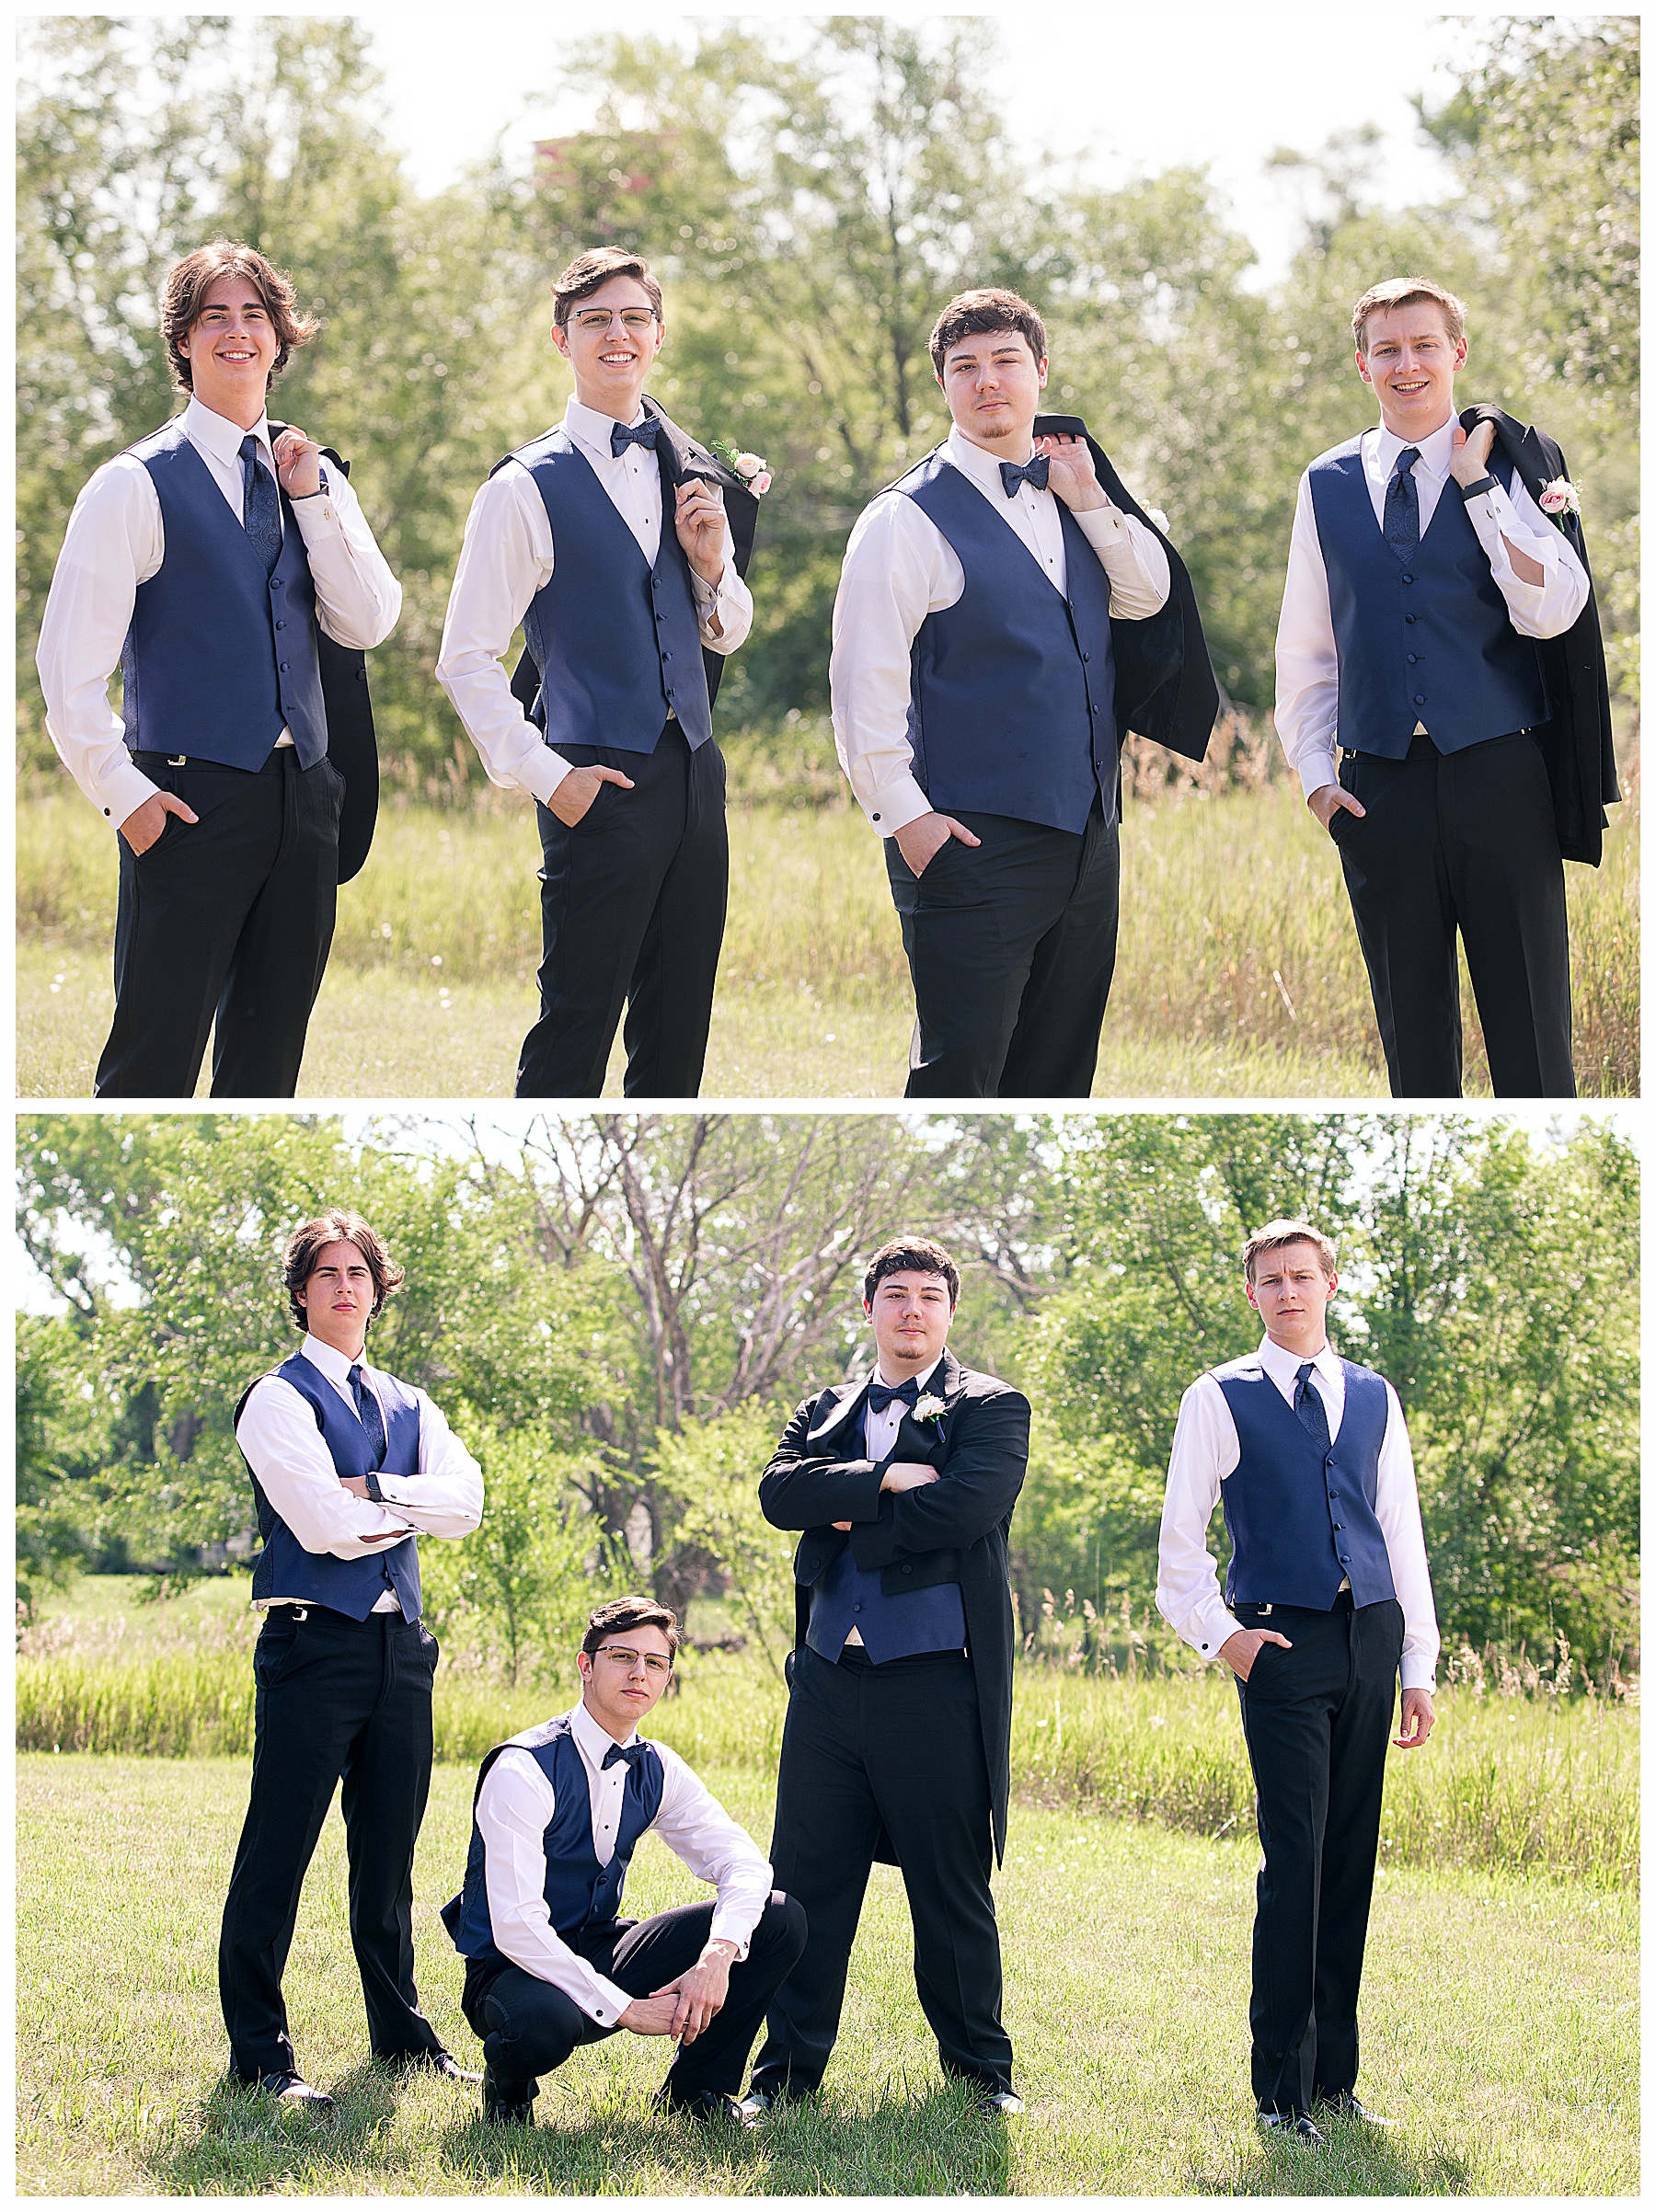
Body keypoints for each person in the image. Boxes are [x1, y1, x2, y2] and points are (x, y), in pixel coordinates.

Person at [35, 240, 402, 1098]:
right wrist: (129, 802)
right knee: (150, 1066)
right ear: (185, 342)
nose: (237, 332)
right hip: (186, 801)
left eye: (253, 315)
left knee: (268, 1069)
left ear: (279, 338)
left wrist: (311, 497)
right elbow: (67, 671)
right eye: (214, 318)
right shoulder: (131, 485)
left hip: (305, 800)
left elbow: (368, 618)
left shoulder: (313, 475)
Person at [829, 286, 1217, 1096]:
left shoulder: (1074, 492)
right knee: (960, 1071)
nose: (987, 382)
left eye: (1006, 362)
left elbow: (1148, 596)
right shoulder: (904, 518)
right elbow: (864, 681)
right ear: (944, 386)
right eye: (964, 368)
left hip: (1086, 840)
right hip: (966, 846)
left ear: (1040, 372)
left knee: (1060, 1076)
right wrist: (909, 820)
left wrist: (1090, 496)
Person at [1274, 275, 1615, 1098]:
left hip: (1500, 773)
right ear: (1363, 366)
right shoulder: (1325, 481)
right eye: (1387, 349)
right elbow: (1309, 648)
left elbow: (1553, 609)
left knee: (1532, 1035)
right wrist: (1318, 781)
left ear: (1456, 353)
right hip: (1380, 788)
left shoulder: (1511, 465)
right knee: (1413, 1047)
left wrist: (1476, 485)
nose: (1408, 364)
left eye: (1425, 344)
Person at [437, 246, 759, 1099]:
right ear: (561, 338)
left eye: (632, 318)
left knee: (679, 1031)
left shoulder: (686, 464)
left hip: (696, 777)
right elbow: (464, 659)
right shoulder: (521, 488)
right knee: (574, 1032)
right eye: (595, 320)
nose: (617, 335)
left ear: (658, 335)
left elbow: (725, 632)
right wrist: (548, 777)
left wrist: (712, 566)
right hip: (596, 781)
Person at [1156, 1219, 1439, 2141]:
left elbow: (1402, 1530)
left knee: (1351, 1858)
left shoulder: (1374, 1393)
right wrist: (1225, 1638)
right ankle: (1280, 2088)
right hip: (1279, 1645)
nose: (1288, 1290)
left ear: (1330, 1284)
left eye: (1302, 1276)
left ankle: (1333, 2080)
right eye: (1271, 1279)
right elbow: (1179, 1549)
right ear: (1252, 1294)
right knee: (1299, 1860)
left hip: (1371, 1633)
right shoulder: (1218, 1395)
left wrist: (1417, 1666)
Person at [742, 1237, 1028, 2115]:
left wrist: (842, 1517)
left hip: (935, 1685)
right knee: (804, 1885)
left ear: (950, 1312)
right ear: (867, 1309)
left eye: (930, 1295)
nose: (913, 1309)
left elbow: (969, 1505)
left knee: (951, 1889)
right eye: (895, 1294)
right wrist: (881, 1479)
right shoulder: (822, 1407)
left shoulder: (991, 1405)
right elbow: (776, 1493)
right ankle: (784, 2077)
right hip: (826, 1684)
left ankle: (982, 2075)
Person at [220, 1211, 485, 2108]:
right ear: (301, 1291)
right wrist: (418, 1506)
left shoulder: (412, 1402)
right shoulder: (277, 1397)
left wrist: (376, 1488)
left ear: (378, 1288)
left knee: (390, 1856)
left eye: (358, 1272)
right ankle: (260, 2055)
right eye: (326, 1272)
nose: (344, 1286)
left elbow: (468, 1505)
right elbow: (323, 1531)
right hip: (311, 1646)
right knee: (278, 1848)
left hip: (401, 1649)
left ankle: (401, 2037)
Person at [442, 1596, 807, 2128]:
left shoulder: (658, 1766)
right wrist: (627, 2009)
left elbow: (745, 1865)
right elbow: (516, 1927)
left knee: (777, 1918)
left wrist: (716, 1958)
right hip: (511, 1968)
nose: (640, 1673)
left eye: (655, 1663)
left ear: (665, 1680)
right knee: (540, 2022)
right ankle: (509, 2082)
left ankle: (696, 2092)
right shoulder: (523, 1768)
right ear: (586, 1666)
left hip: (598, 1944)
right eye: (622, 1657)